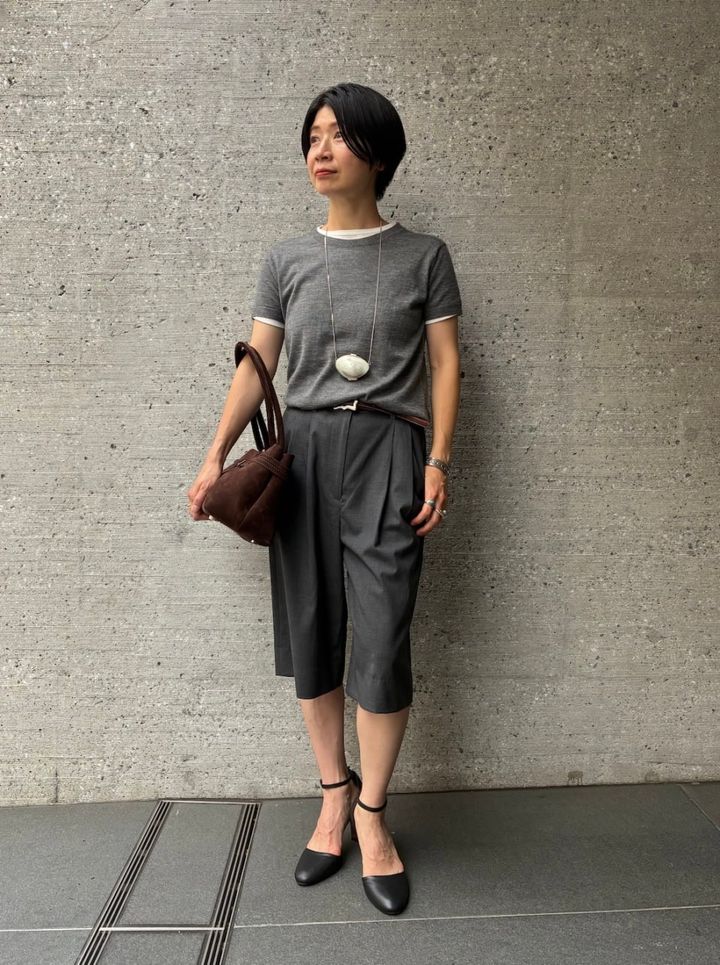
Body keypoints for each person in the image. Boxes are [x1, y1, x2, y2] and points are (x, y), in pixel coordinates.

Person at [187, 82, 462, 917]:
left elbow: (446, 363)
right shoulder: (285, 260)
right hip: (302, 453)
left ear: (378, 152)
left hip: (390, 447)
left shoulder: (425, 257)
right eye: (313, 135)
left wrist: (438, 460)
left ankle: (374, 815)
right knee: (311, 630)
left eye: (339, 134)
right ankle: (333, 798)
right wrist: (213, 455)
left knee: (381, 638)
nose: (321, 147)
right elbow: (258, 363)